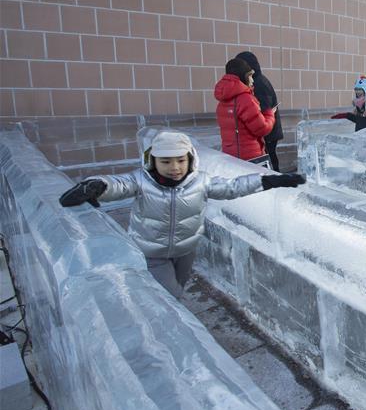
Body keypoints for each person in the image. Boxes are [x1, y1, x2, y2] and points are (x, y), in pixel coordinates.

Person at [58, 131, 305, 298]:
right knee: (171, 294)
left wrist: (270, 181)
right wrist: (97, 186)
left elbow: (232, 187)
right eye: (166, 162)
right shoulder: (141, 181)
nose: (174, 168)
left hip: (186, 249)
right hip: (152, 252)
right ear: (153, 162)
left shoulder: (200, 182)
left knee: (178, 290)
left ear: (190, 160)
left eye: (180, 161)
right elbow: (118, 185)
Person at [215, 58, 276, 166]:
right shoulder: (245, 99)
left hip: (230, 157)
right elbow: (262, 129)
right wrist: (270, 114)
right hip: (251, 158)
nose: (252, 80)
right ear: (243, 77)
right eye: (250, 76)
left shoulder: (223, 100)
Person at [235, 51, 283, 171]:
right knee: (271, 161)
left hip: (268, 133)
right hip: (268, 131)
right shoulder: (258, 80)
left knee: (271, 164)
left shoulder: (259, 83)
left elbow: (266, 110)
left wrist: (261, 132)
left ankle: (278, 186)